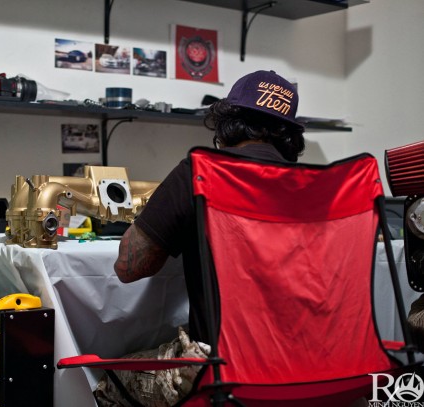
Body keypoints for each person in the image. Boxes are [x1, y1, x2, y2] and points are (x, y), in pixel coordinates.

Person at [95, 70, 306, 406]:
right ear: (289, 136)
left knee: (111, 381)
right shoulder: (315, 187)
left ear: (227, 125)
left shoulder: (200, 172)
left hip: (223, 372)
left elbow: (128, 267)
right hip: (309, 367)